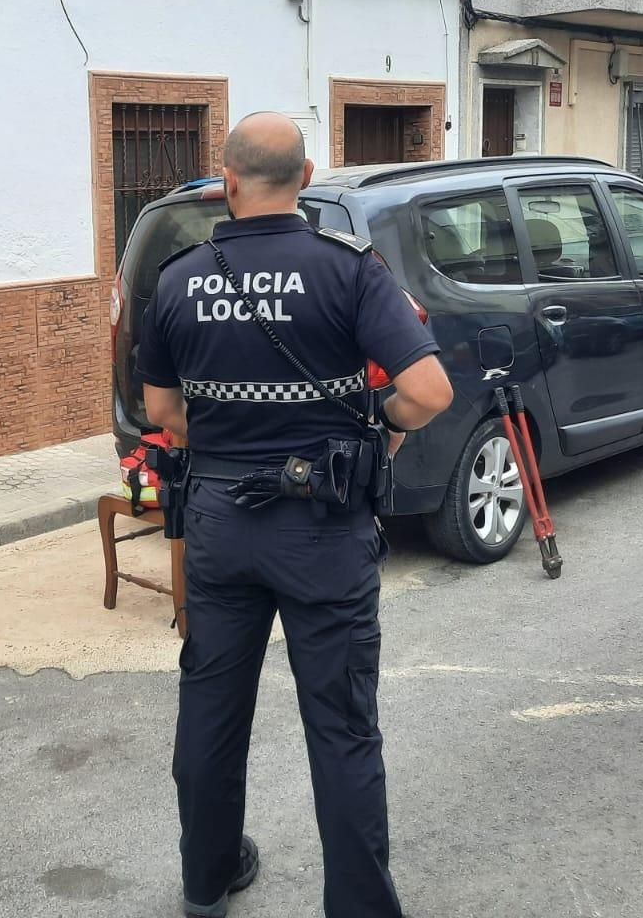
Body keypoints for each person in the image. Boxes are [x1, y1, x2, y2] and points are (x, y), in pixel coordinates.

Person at [135, 112, 454, 918]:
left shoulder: (177, 279)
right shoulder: (347, 268)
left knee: (210, 710)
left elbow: (162, 412)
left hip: (218, 521)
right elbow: (428, 392)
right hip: (323, 525)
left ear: (228, 182)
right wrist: (373, 430)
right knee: (341, 727)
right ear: (306, 178)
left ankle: (207, 880)